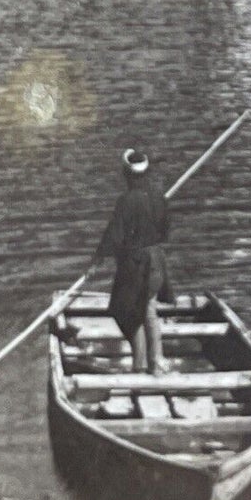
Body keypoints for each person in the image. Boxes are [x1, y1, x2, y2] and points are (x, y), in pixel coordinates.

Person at [87, 147, 171, 374]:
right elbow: (165, 233)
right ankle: (156, 363)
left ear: (127, 174)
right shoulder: (159, 198)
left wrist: (98, 258)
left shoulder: (126, 201)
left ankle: (140, 366)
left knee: (125, 311)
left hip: (136, 265)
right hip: (156, 262)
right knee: (149, 310)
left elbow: (115, 235)